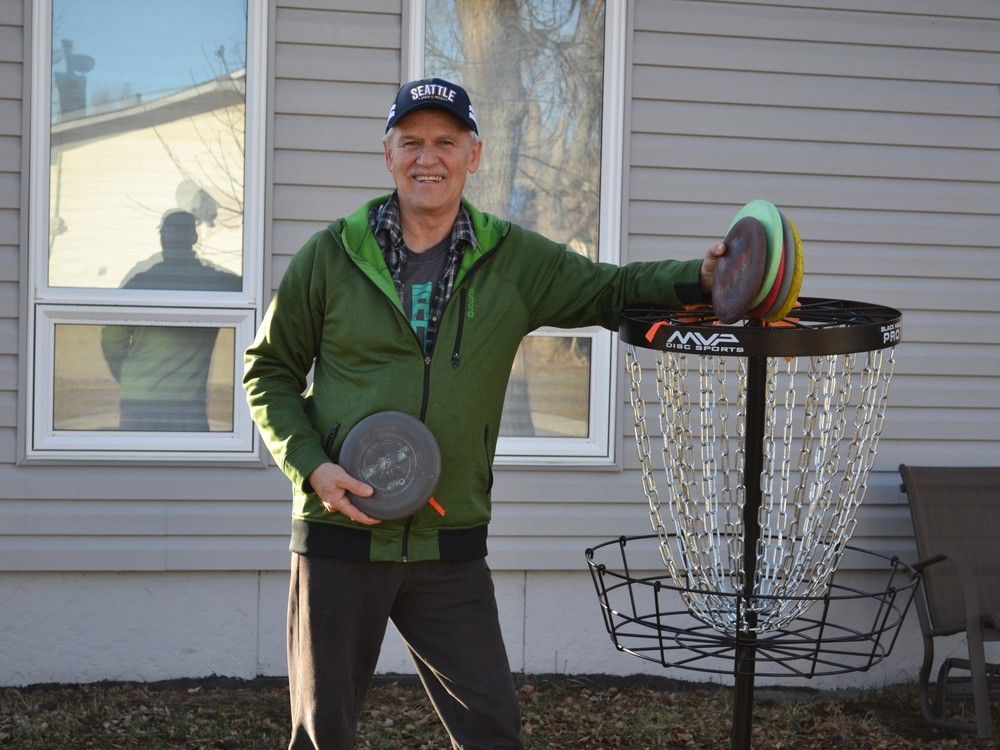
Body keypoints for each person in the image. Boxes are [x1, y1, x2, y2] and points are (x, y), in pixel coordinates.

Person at [243, 77, 726, 749]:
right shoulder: (331, 255)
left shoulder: (513, 259)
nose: (427, 158)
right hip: (339, 532)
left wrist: (700, 283)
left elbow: (612, 290)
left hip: (449, 540)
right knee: (323, 733)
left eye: (446, 141)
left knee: (493, 726)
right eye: (411, 142)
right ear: (388, 154)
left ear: (475, 153)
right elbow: (268, 370)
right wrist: (312, 467)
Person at [102, 209, 241, 431]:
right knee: (192, 464)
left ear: (162, 239)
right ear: (194, 238)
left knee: (135, 462)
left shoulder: (140, 284)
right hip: (187, 406)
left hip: (139, 400)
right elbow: (251, 288)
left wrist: (129, 378)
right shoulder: (217, 285)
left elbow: (112, 341)